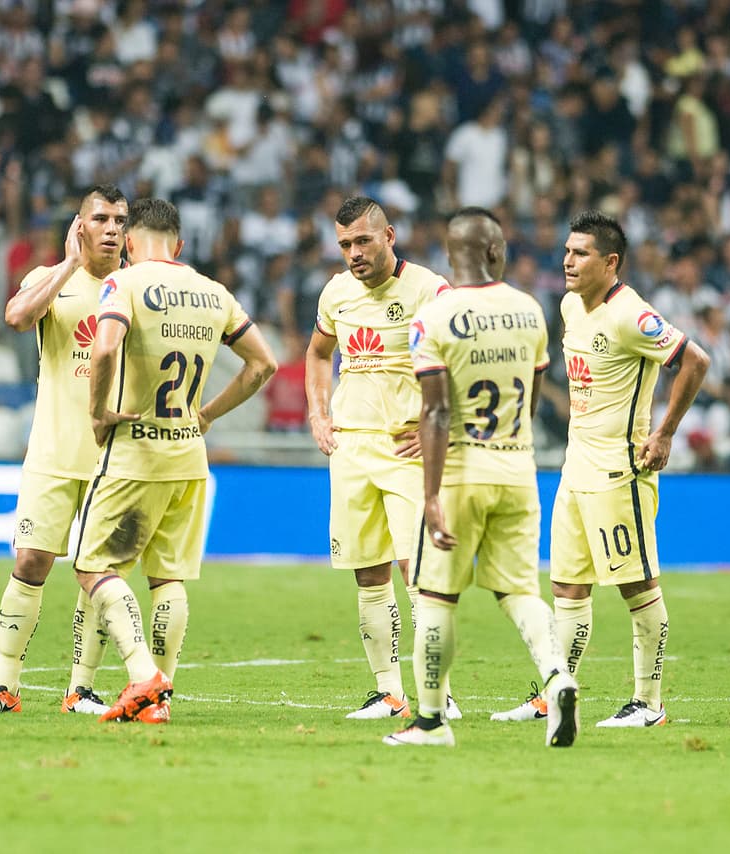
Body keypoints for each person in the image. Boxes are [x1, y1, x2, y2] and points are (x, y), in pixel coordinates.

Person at [491, 211, 709, 728]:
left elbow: (695, 360)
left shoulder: (631, 315)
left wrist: (664, 432)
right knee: (567, 588)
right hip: (576, 468)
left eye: (581, 253)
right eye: (567, 251)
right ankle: (556, 692)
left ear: (610, 262)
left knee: (637, 588)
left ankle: (649, 704)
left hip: (620, 471)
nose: (568, 261)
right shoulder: (570, 306)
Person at [75, 197, 277, 723]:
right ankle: (158, 703)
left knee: (93, 567)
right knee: (167, 579)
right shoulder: (214, 293)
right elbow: (263, 364)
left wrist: (98, 412)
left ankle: (143, 676)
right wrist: (206, 414)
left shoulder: (124, 283)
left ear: (130, 242)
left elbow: (104, 348)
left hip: (134, 453)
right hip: (188, 454)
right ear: (179, 244)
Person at [384, 207, 578, 748]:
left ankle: (430, 722)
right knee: (519, 591)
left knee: (435, 597)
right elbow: (532, 399)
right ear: (495, 251)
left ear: (451, 255)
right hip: (518, 469)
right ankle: (557, 676)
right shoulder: (530, 310)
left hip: (461, 473)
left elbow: (436, 412)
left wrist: (430, 494)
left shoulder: (433, 318)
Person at [0, 185, 130, 716]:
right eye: (100, 218)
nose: (111, 228)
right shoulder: (49, 278)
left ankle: (82, 689)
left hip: (113, 459)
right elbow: (16, 317)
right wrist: (68, 265)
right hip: (53, 451)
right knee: (31, 561)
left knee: (99, 574)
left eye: (120, 220)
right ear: (79, 225)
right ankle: (4, 688)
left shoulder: (136, 287)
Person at [304, 196, 460, 720]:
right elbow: (318, 352)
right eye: (345, 244)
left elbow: (467, 359)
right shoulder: (336, 293)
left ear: (389, 236)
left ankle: (438, 694)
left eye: (363, 241)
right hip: (351, 447)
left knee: (419, 574)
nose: (354, 253)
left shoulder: (430, 290)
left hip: (407, 451)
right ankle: (389, 693)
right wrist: (318, 414)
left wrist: (441, 424)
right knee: (368, 574)